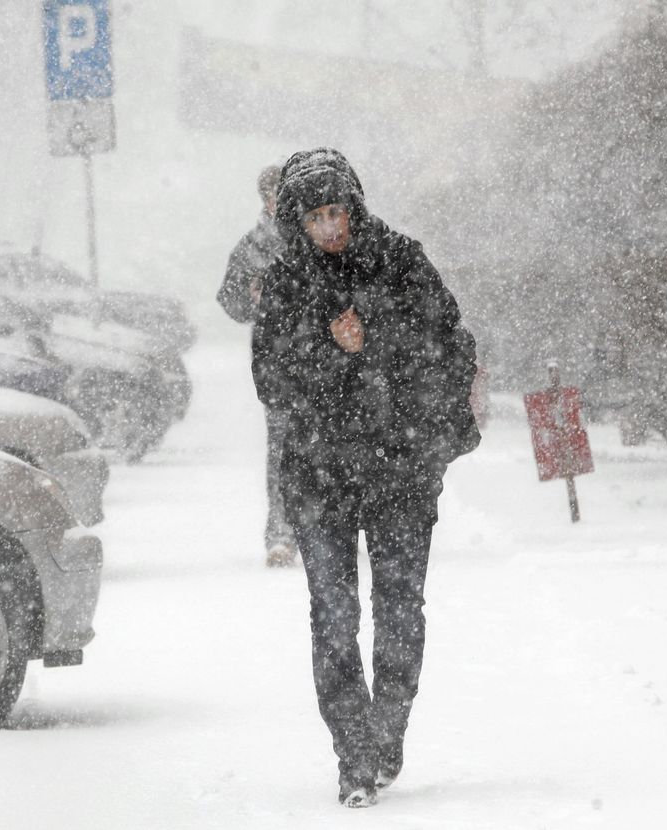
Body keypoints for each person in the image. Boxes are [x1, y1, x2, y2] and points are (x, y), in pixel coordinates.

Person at [251, 148, 480, 808]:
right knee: (333, 614)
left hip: (399, 468)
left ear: (354, 207)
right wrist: (332, 353)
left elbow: (448, 346)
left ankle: (388, 730)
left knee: (400, 608)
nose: (331, 228)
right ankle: (352, 751)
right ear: (298, 220)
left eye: (338, 212)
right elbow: (272, 379)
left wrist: (373, 344)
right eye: (316, 216)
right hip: (319, 474)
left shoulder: (401, 260)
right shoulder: (287, 283)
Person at [218, 164, 299, 568]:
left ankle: (331, 528)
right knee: (284, 451)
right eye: (273, 195)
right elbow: (230, 301)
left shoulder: (321, 238)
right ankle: (282, 534)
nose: (279, 202)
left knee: (335, 451)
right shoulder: (251, 247)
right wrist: (250, 297)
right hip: (278, 365)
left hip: (330, 365)